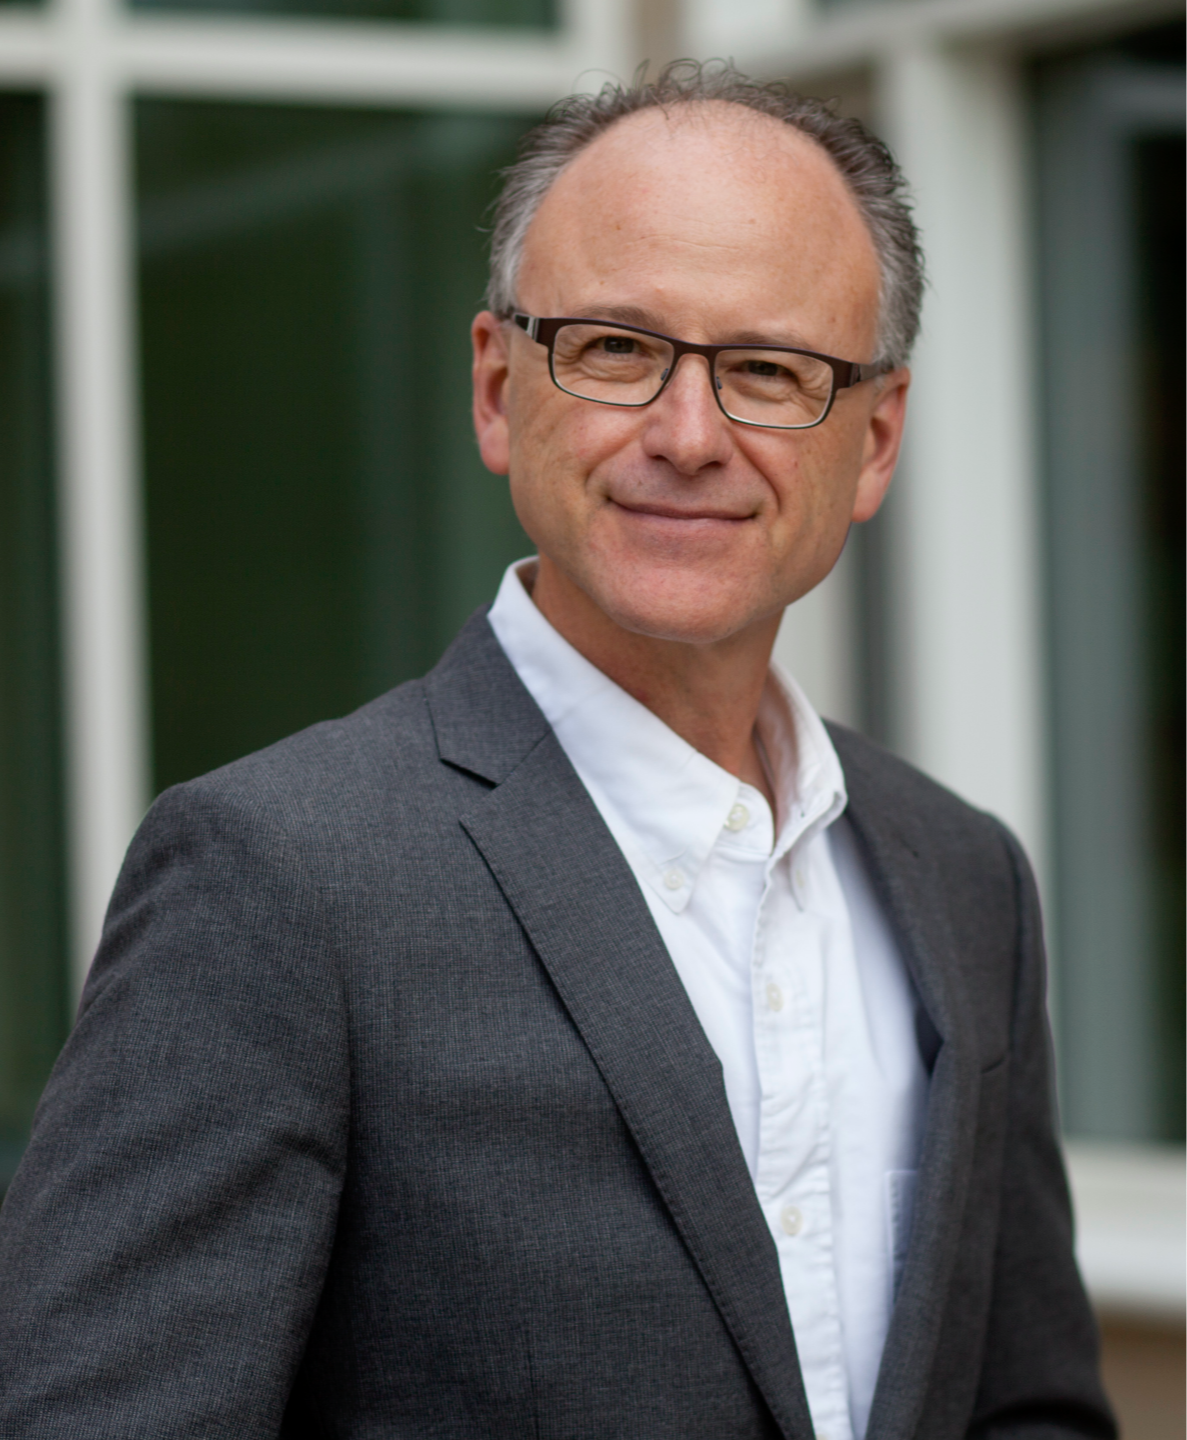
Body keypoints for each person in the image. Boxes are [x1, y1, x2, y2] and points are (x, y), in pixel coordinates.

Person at [0, 62, 1114, 1440]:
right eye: (614, 350)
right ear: (494, 388)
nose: (689, 437)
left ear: (875, 439)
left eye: (768, 370)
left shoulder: (963, 877)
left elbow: (1028, 1407)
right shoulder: (279, 879)